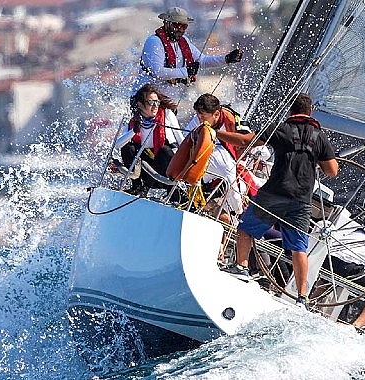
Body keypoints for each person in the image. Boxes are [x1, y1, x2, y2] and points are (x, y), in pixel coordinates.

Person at [213, 93, 339, 307]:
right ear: (310, 112)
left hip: (274, 193)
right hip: (301, 200)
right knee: (299, 248)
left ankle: (241, 267)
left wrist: (217, 133)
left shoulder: (282, 129)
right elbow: (332, 171)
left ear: (291, 111)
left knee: (246, 227)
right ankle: (302, 297)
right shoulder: (320, 137)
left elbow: (247, 141)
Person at [132, 7, 243, 100]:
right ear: (166, 23)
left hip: (166, 101)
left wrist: (227, 59)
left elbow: (202, 61)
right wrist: (186, 71)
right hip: (145, 100)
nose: (180, 29)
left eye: (184, 26)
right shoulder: (154, 41)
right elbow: (157, 72)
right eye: (176, 25)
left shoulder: (184, 41)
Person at [184, 94, 252, 222]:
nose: (199, 119)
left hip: (233, 164)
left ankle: (239, 215)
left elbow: (246, 143)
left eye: (203, 117)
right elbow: (184, 139)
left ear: (216, 114)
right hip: (208, 164)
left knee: (233, 187)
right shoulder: (199, 118)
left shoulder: (234, 123)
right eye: (198, 116)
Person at [116, 83, 184, 196]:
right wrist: (133, 131)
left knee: (165, 151)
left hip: (164, 171)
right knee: (128, 148)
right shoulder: (133, 119)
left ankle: (157, 190)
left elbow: (181, 140)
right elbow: (118, 145)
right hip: (144, 169)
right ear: (140, 105)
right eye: (151, 102)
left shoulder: (167, 114)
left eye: (157, 102)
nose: (155, 106)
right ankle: (137, 186)